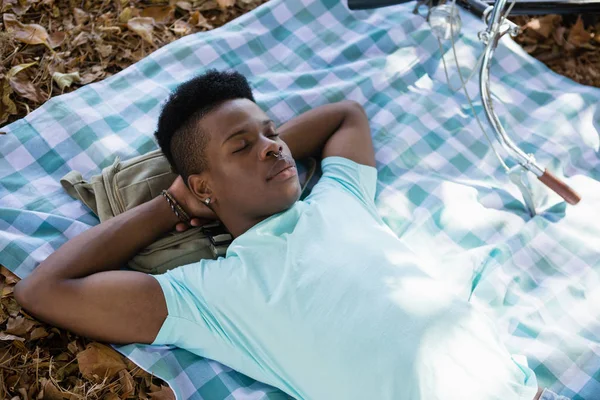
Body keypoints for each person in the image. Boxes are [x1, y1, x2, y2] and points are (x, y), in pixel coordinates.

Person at [15, 69, 561, 400]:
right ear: (203, 184)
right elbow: (43, 290)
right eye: (242, 146)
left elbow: (346, 115)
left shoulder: (338, 198)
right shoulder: (209, 294)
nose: (273, 147)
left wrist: (252, 147)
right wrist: (170, 204)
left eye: (272, 133)